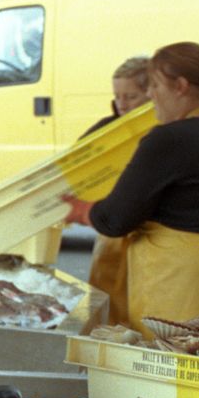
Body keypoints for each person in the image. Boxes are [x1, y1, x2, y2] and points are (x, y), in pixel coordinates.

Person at [63, 41, 199, 339]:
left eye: (155, 86)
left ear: (181, 86)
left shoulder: (168, 139)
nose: (151, 95)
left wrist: (79, 209)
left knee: (175, 384)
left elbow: (115, 219)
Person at [80, 56, 151, 324]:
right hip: (110, 236)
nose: (122, 103)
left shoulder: (161, 134)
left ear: (152, 93)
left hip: (144, 241)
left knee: (139, 317)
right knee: (109, 313)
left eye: (130, 96)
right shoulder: (106, 129)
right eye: (117, 95)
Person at [81, 56, 150, 138]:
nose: (121, 106)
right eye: (117, 97)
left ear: (153, 94)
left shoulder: (164, 130)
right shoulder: (103, 129)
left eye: (131, 97)